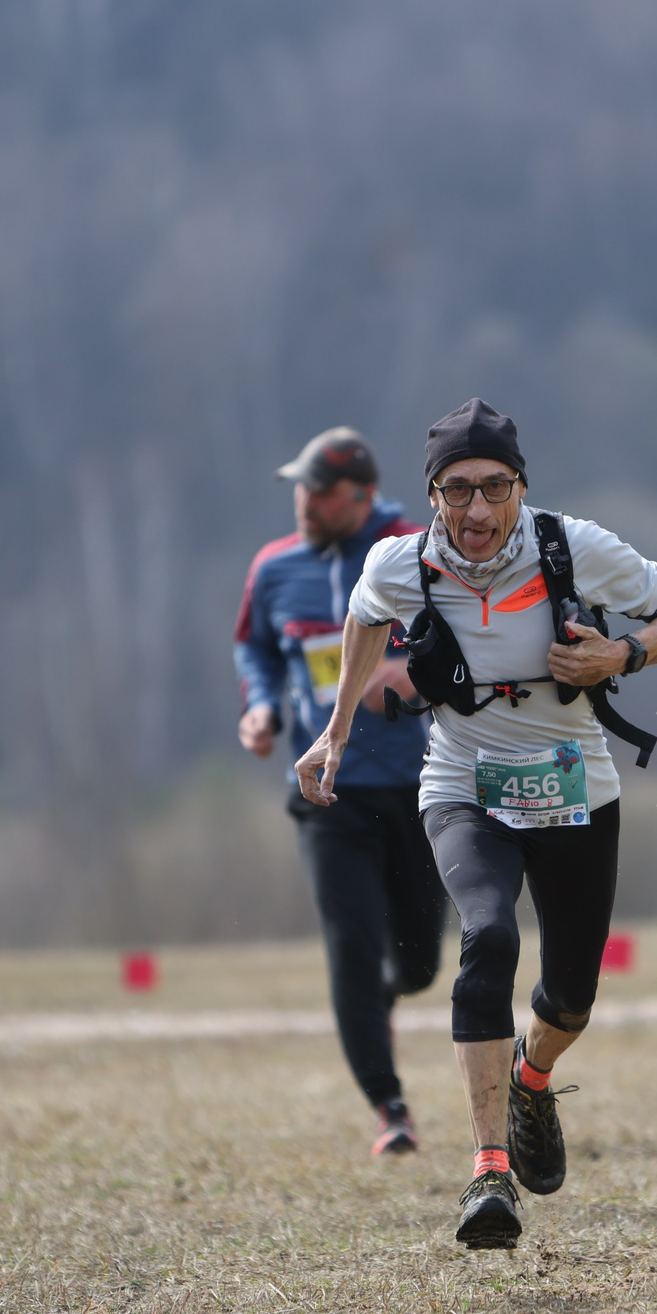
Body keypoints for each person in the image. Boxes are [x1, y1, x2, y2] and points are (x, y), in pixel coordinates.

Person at [296, 400, 657, 1248]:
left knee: (572, 999)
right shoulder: (400, 562)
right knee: (486, 935)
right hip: (463, 785)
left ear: (521, 486)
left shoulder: (575, 548)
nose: (477, 512)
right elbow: (366, 619)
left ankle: (533, 1076)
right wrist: (333, 734)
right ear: (432, 493)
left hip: (573, 789)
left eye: (494, 489)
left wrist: (618, 655)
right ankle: (489, 1174)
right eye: (457, 491)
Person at [235, 426, 447, 1156]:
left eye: (320, 491)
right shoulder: (273, 568)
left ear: (360, 494)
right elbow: (255, 648)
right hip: (327, 788)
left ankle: (389, 995)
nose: (305, 502)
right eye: (300, 487)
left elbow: (467, 636)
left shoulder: (420, 550)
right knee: (350, 945)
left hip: (421, 784)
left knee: (418, 962)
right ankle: (390, 1110)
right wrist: (258, 706)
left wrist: (411, 676)